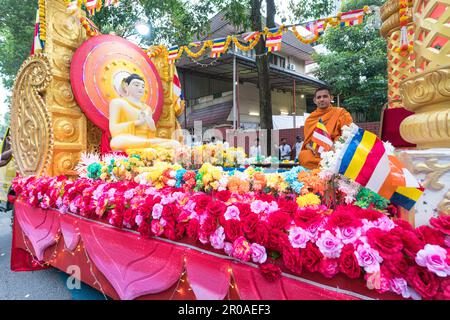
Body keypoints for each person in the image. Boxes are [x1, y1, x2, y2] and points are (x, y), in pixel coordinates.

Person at [109, 73, 181, 151]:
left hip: (146, 139)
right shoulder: (117, 103)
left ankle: (149, 145)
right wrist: (137, 122)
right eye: (136, 85)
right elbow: (113, 129)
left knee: (175, 144)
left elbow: (151, 133)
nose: (140, 88)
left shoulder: (147, 109)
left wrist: (151, 125)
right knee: (116, 141)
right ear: (126, 86)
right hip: (128, 139)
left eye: (143, 86)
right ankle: (150, 146)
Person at [299, 87, 353, 169]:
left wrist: (335, 146)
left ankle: (329, 165)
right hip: (318, 153)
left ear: (331, 98)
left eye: (325, 96)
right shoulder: (310, 119)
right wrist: (310, 147)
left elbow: (348, 134)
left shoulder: (341, 113)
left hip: (336, 150)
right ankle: (326, 166)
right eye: (319, 97)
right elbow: (307, 143)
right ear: (314, 100)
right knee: (303, 155)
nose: (321, 99)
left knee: (343, 155)